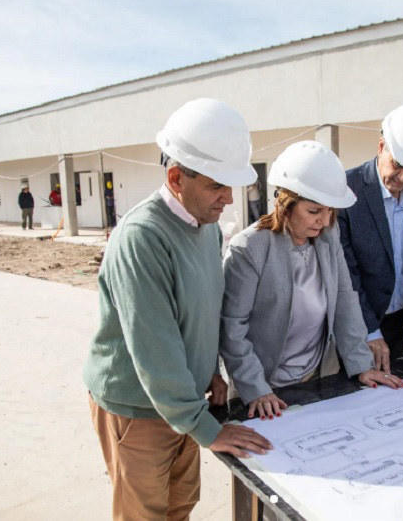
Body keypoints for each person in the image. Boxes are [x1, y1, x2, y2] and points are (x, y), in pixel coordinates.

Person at [83, 98, 271, 520]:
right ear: (175, 177)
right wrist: (208, 428)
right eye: (216, 185)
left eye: (231, 184)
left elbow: (202, 310)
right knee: (144, 514)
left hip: (184, 400)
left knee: (180, 505)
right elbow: (155, 351)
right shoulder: (142, 239)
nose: (228, 197)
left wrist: (211, 373)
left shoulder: (205, 227)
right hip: (139, 406)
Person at [221, 141, 403, 420]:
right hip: (266, 386)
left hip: (319, 376)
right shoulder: (250, 248)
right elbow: (232, 327)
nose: (324, 220)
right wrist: (257, 389)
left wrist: (361, 365)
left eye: (330, 210)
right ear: (285, 204)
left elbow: (345, 299)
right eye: (314, 211)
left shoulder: (329, 237)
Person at [338, 101, 403, 373]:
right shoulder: (346, 191)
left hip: (399, 322)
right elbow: (346, 275)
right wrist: (370, 331)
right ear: (381, 147)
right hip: (357, 324)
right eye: (398, 165)